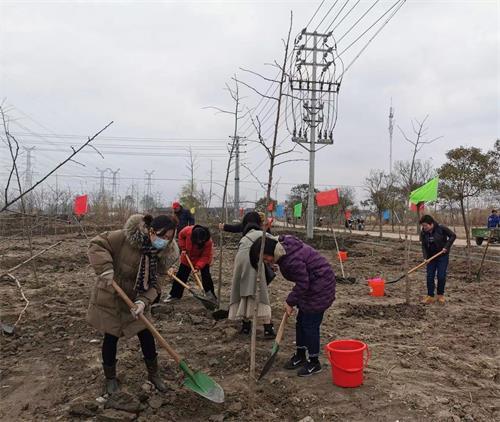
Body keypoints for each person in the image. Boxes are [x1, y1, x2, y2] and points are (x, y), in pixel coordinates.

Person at [87, 214, 179, 394]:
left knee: (147, 334)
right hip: (112, 296)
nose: (164, 241)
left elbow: (156, 283)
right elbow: (97, 244)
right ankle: (111, 379)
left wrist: (143, 302)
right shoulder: (123, 237)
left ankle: (154, 374)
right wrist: (105, 268)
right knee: (111, 337)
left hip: (135, 300)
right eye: (162, 236)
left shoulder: (162, 254)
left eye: (169, 238)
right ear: (151, 230)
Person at [249, 235, 336, 377]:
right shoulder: (283, 247)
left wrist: (290, 301)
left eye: (265, 258)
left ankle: (314, 362)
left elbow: (303, 283)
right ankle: (301, 355)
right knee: (300, 323)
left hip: (321, 287)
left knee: (310, 325)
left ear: (271, 251)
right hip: (312, 285)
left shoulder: (290, 260)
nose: (267, 262)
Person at [221, 211, 276, 338]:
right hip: (255, 262)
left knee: (244, 292)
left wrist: (222, 226)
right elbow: (276, 247)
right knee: (261, 294)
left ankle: (246, 327)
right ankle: (268, 328)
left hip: (241, 264)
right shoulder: (264, 235)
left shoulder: (244, 238)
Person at [165, 225, 216, 302]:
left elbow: (205, 256)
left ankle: (210, 296)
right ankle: (175, 295)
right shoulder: (188, 231)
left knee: (206, 276)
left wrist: (198, 266)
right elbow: (181, 236)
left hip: (201, 258)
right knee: (181, 275)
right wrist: (183, 248)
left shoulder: (208, 242)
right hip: (187, 256)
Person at [419, 215, 456, 304]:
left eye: (425, 225)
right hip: (431, 257)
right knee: (429, 276)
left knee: (441, 276)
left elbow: (453, 236)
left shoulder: (441, 228)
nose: (424, 227)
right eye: (423, 226)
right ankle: (430, 296)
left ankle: (440, 295)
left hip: (442, 256)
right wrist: (425, 257)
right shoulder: (423, 232)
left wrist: (446, 247)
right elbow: (423, 245)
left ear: (431, 224)